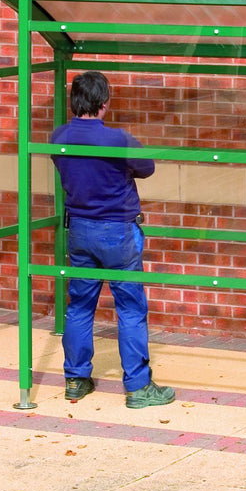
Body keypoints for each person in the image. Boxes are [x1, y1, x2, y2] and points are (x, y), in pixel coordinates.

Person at [50, 71, 175, 409]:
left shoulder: (59, 135)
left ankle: (76, 379)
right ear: (104, 103)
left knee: (79, 306)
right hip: (118, 230)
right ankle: (137, 386)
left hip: (79, 229)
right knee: (130, 308)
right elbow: (146, 168)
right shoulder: (118, 139)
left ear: (75, 101)